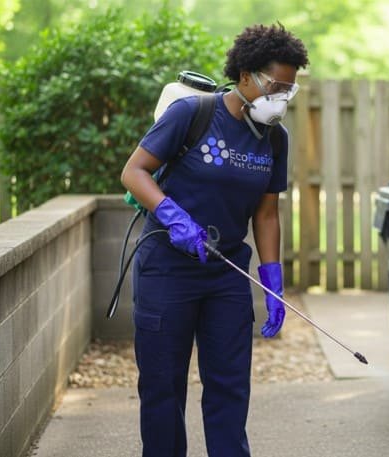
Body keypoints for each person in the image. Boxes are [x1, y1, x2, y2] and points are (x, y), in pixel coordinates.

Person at [120, 23, 309, 457]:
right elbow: (134, 171)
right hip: (167, 267)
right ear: (245, 75)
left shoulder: (275, 139)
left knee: (229, 386)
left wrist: (273, 278)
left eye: (289, 90)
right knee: (163, 387)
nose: (281, 97)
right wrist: (171, 215)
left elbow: (265, 212)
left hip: (225, 273)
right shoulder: (193, 113)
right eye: (275, 86)